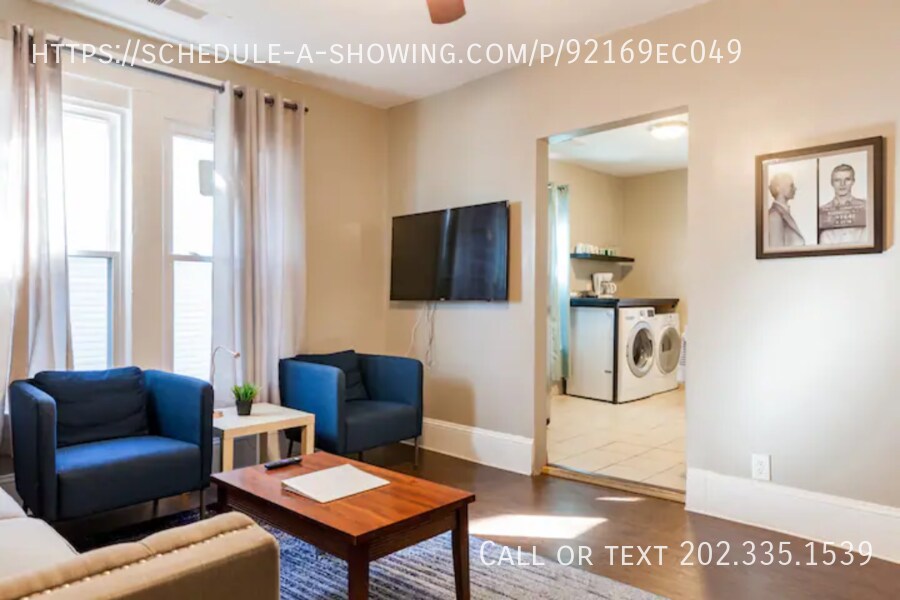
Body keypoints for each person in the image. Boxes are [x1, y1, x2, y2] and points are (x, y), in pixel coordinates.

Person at [818, 164, 867, 244]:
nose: (842, 184)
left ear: (853, 181)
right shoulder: (822, 211)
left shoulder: (865, 206)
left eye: (847, 179)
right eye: (837, 180)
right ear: (832, 183)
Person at [767, 172, 805, 248]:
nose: (795, 188)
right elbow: (776, 249)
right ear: (778, 188)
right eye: (791, 185)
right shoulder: (774, 216)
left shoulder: (781, 213)